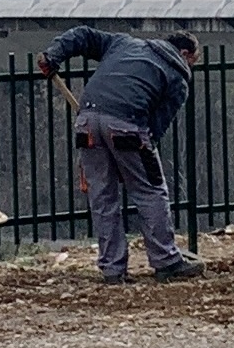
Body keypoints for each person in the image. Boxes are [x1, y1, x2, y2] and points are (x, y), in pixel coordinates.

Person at [38, 26, 203, 283]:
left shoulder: (123, 43)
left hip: (87, 122)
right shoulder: (177, 77)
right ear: (184, 52)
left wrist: (53, 55)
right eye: (194, 60)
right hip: (128, 128)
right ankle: (167, 261)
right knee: (151, 192)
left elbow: (82, 35)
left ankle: (113, 270)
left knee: (103, 197)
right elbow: (157, 125)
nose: (192, 66)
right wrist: (138, 161)